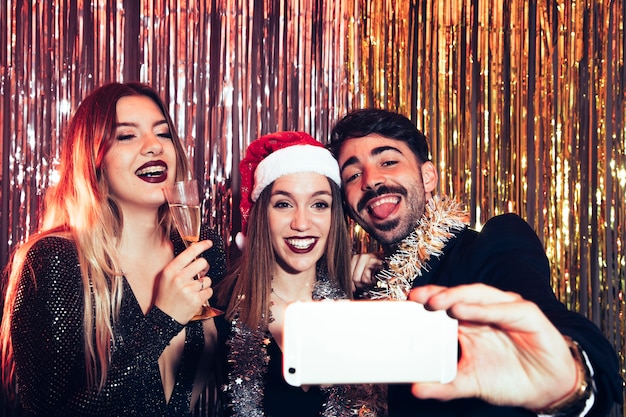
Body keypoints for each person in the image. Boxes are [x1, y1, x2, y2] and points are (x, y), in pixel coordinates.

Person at [328, 108, 623, 417]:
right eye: (353, 175)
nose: (371, 181)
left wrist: (569, 381)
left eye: (388, 161)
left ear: (427, 177)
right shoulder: (369, 291)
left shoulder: (489, 246)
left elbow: (552, 318)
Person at [0, 82, 226, 416]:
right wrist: (163, 321)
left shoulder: (200, 250)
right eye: (126, 136)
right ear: (94, 159)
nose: (153, 147)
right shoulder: (55, 261)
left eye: (163, 134)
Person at [214, 131, 386, 417]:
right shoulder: (219, 311)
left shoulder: (361, 304)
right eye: (284, 203)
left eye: (319, 204)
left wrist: (384, 274)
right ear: (261, 215)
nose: (302, 223)